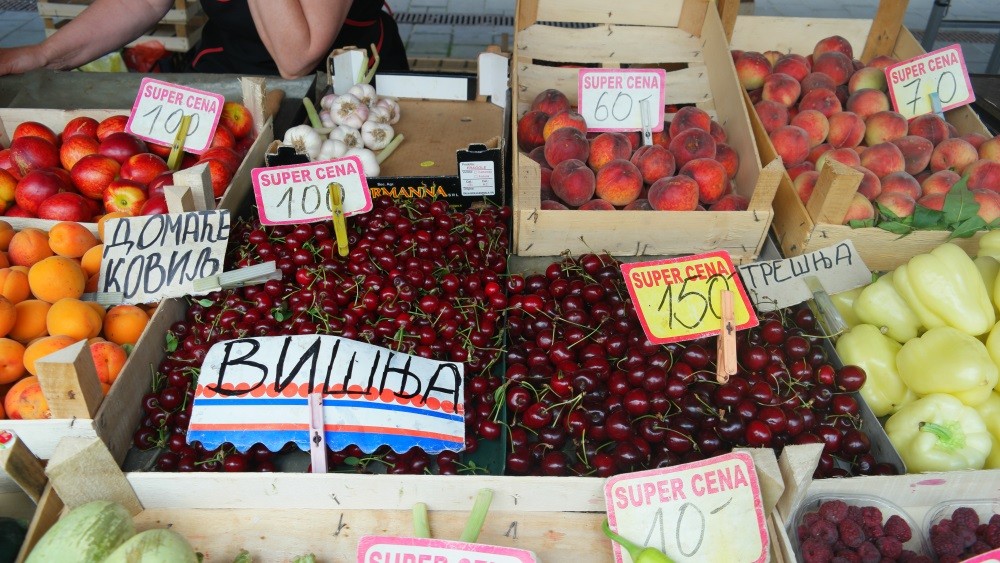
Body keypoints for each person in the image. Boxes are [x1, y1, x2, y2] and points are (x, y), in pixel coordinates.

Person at [0, 0, 408, 79]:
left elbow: (297, 56)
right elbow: (141, 3)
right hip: (232, 69)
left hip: (345, 85)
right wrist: (43, 54)